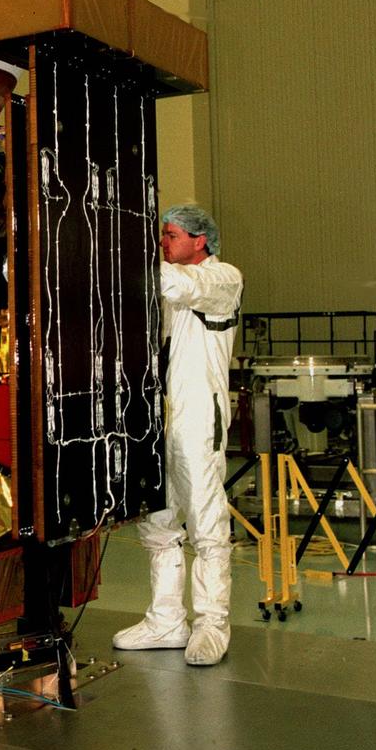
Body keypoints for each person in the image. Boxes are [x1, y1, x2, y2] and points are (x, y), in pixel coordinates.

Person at [113, 204, 243, 666]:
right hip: (158, 416)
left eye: (170, 235)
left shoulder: (222, 278)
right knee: (159, 519)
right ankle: (166, 620)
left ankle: (212, 623)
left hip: (197, 418)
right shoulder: (171, 285)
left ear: (199, 239)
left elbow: (177, 284)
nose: (163, 243)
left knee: (206, 520)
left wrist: (121, 249)